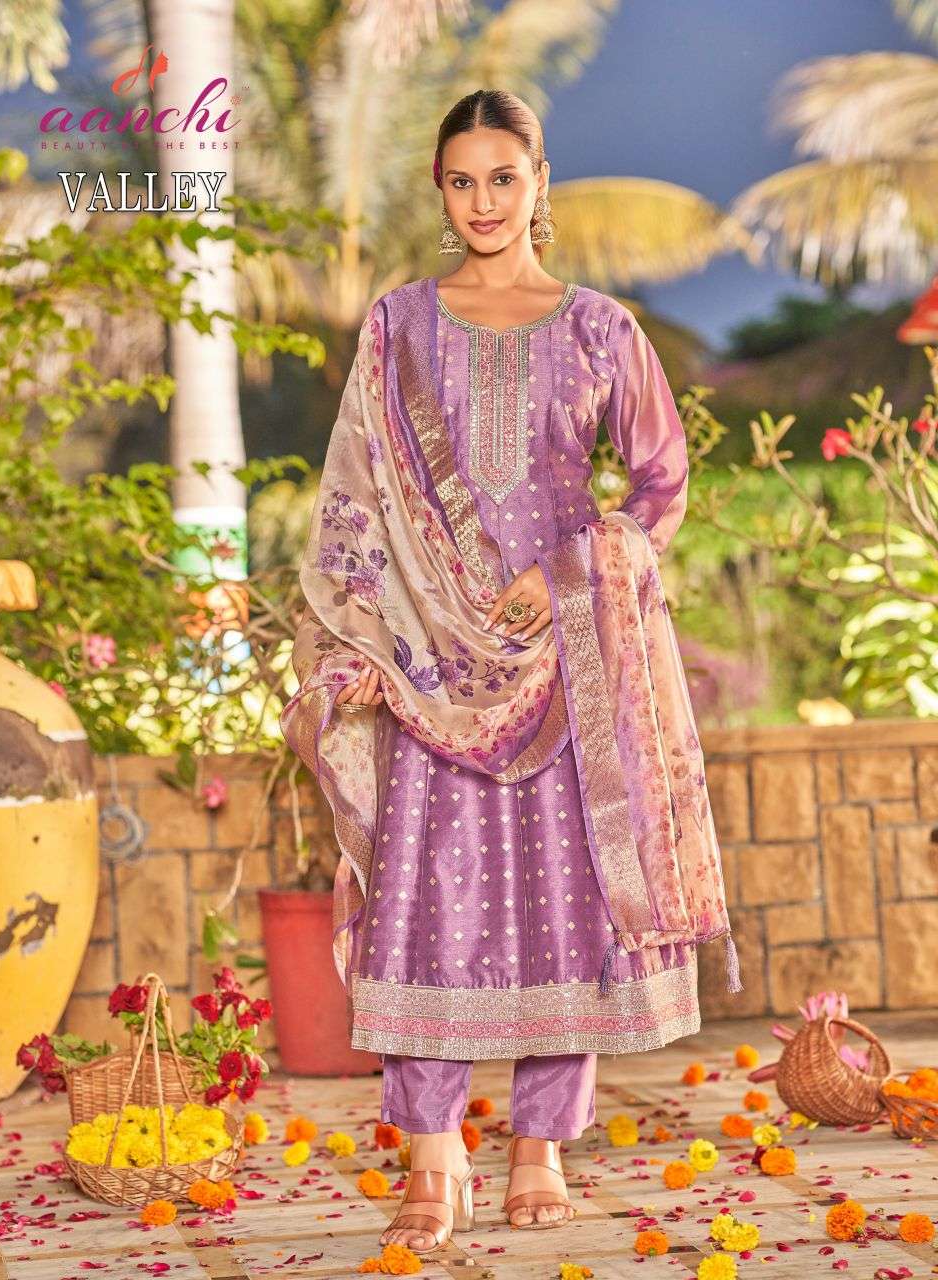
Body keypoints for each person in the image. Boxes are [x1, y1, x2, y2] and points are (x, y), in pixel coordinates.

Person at [280, 88, 739, 1256]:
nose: (481, 201)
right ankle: (433, 1154)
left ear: (540, 182)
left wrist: (573, 568)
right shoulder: (397, 326)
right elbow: (356, 498)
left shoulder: (601, 330)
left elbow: (660, 487)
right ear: (440, 192)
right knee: (426, 900)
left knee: (562, 900)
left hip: (566, 658)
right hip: (431, 662)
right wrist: (362, 643)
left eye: (502, 176)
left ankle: (540, 1147)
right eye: (460, 180)